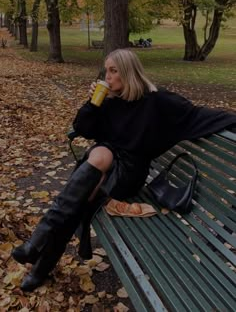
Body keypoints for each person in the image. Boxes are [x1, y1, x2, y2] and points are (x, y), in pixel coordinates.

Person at [12, 49, 236, 292]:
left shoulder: (157, 101)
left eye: (113, 71)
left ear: (128, 72)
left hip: (129, 173)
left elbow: (198, 115)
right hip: (103, 165)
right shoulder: (109, 103)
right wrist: (92, 103)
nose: (107, 76)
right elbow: (83, 128)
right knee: (89, 178)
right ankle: (38, 257)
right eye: (106, 70)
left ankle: (37, 251)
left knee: (95, 163)